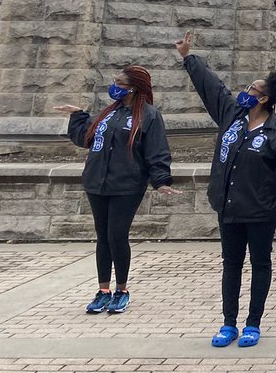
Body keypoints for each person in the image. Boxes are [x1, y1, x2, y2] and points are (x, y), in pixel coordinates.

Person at [176, 31, 276, 349]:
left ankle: (252, 324)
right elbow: (212, 88)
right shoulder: (232, 116)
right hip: (228, 207)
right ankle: (229, 323)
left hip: (260, 210)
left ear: (263, 98)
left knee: (260, 264)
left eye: (252, 89)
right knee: (231, 264)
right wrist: (189, 58)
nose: (244, 92)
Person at [53, 66, 181, 314]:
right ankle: (103, 290)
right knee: (103, 238)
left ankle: (122, 290)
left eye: (120, 82)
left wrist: (161, 180)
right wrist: (78, 116)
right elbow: (85, 139)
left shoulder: (148, 115)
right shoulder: (108, 113)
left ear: (133, 87)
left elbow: (157, 151)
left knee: (116, 235)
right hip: (97, 183)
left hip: (127, 185)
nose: (114, 85)